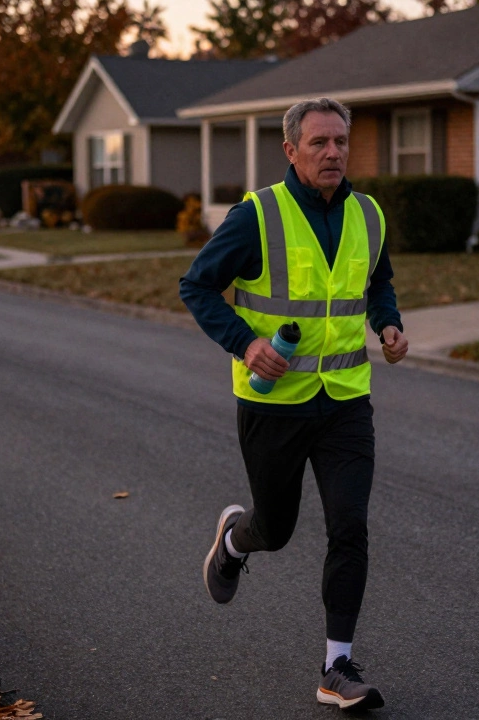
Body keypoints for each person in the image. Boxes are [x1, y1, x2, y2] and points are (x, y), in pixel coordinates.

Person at [179, 97, 408, 711]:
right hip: (273, 403)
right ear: (290, 150)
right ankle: (234, 541)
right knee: (274, 530)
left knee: (350, 526)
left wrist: (388, 323)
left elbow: (377, 280)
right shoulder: (258, 215)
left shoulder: (368, 213)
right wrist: (246, 343)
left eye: (340, 141)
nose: (332, 152)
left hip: (345, 403)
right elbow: (196, 285)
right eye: (318, 143)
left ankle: (337, 667)